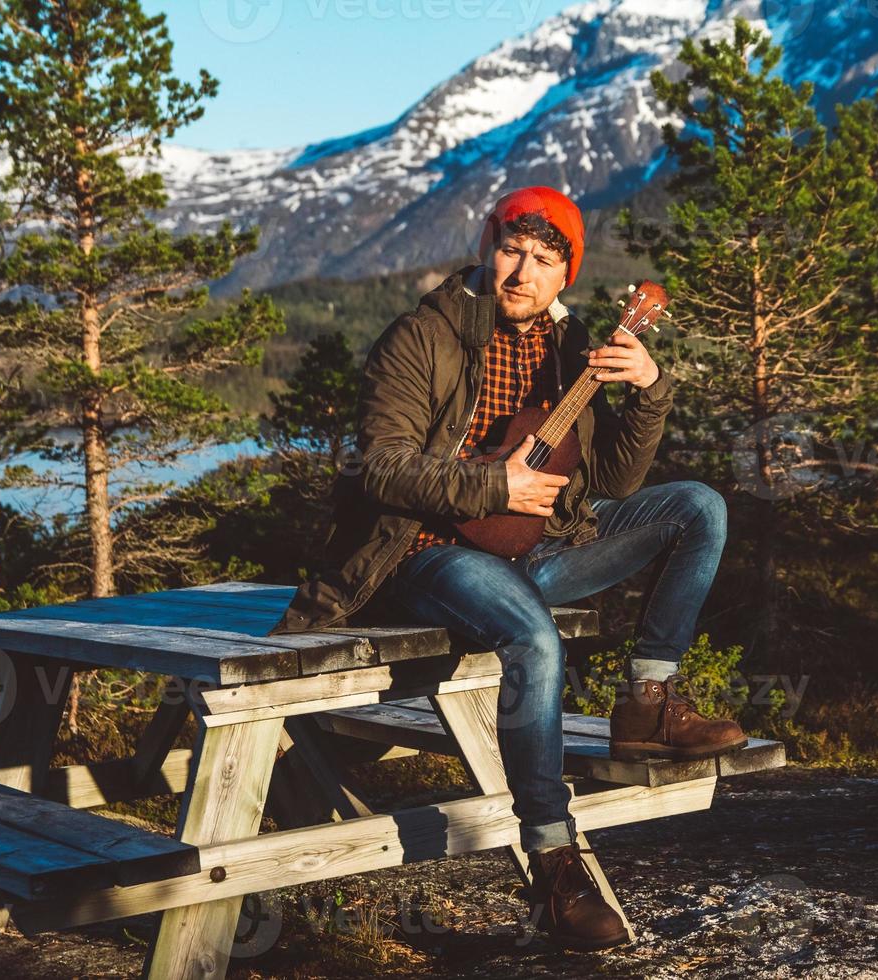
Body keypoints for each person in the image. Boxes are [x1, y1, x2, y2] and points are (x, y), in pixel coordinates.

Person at [269, 185, 745, 950]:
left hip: (538, 549)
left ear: (567, 275)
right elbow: (381, 467)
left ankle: (649, 702)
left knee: (698, 507)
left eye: (545, 258)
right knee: (537, 641)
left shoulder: (572, 348)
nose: (522, 271)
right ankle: (554, 860)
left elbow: (617, 485)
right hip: (428, 555)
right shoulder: (422, 336)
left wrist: (650, 390)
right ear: (490, 249)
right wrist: (497, 485)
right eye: (512, 250)